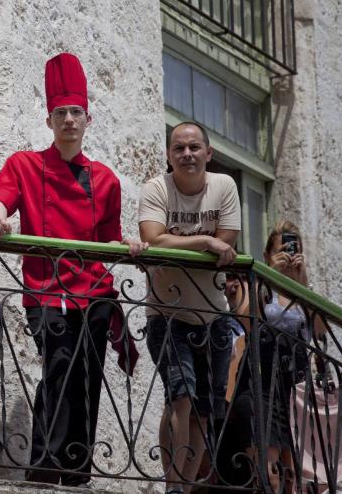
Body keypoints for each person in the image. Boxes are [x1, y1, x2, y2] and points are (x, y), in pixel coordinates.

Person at [0, 52, 147, 485]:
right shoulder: (26, 164)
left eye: (76, 113)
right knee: (57, 366)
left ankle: (77, 472)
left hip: (94, 290)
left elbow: (109, 238)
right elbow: (3, 197)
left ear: (87, 120)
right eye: (61, 113)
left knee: (88, 375)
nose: (69, 120)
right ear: (49, 120)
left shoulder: (106, 179)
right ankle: (43, 469)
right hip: (46, 288)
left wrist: (127, 242)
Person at [138, 121, 241, 494]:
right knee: (179, 394)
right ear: (169, 155)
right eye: (178, 148)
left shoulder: (224, 186)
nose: (187, 154)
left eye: (194, 147)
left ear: (208, 154)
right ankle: (174, 485)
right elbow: (152, 238)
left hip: (214, 315)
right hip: (166, 313)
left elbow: (227, 241)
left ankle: (185, 485)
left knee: (203, 409)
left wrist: (178, 241)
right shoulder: (156, 188)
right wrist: (205, 241)